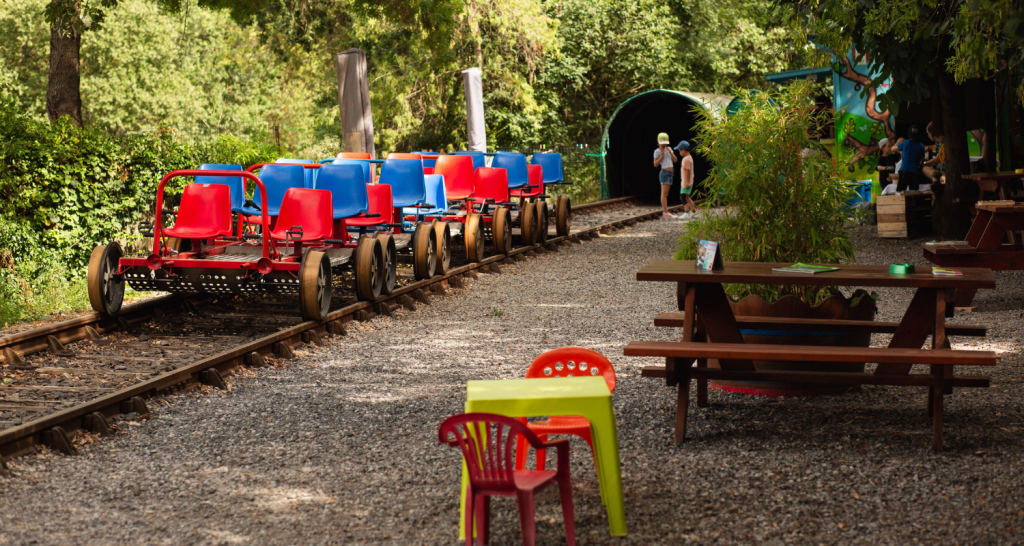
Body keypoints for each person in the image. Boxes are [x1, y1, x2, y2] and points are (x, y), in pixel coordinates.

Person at [888, 125, 926, 192]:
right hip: (915, 172)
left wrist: (897, 142)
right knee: (914, 192)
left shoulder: (905, 143)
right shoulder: (921, 146)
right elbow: (921, 162)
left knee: (900, 191)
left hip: (904, 171)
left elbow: (892, 149)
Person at [653, 132, 677, 218]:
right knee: (664, 194)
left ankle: (666, 212)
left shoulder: (669, 149)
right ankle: (665, 212)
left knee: (666, 193)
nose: (664, 146)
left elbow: (675, 160)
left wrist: (670, 152)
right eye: (662, 144)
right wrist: (661, 155)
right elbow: (655, 164)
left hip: (671, 172)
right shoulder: (657, 151)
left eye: (665, 144)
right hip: (664, 173)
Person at [675, 140, 697, 219]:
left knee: (683, 197)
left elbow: (687, 170)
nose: (679, 152)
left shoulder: (685, 159)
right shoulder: (690, 157)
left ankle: (687, 212)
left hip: (686, 182)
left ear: (683, 150)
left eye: (679, 150)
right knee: (688, 197)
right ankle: (693, 212)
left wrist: (686, 182)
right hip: (689, 181)